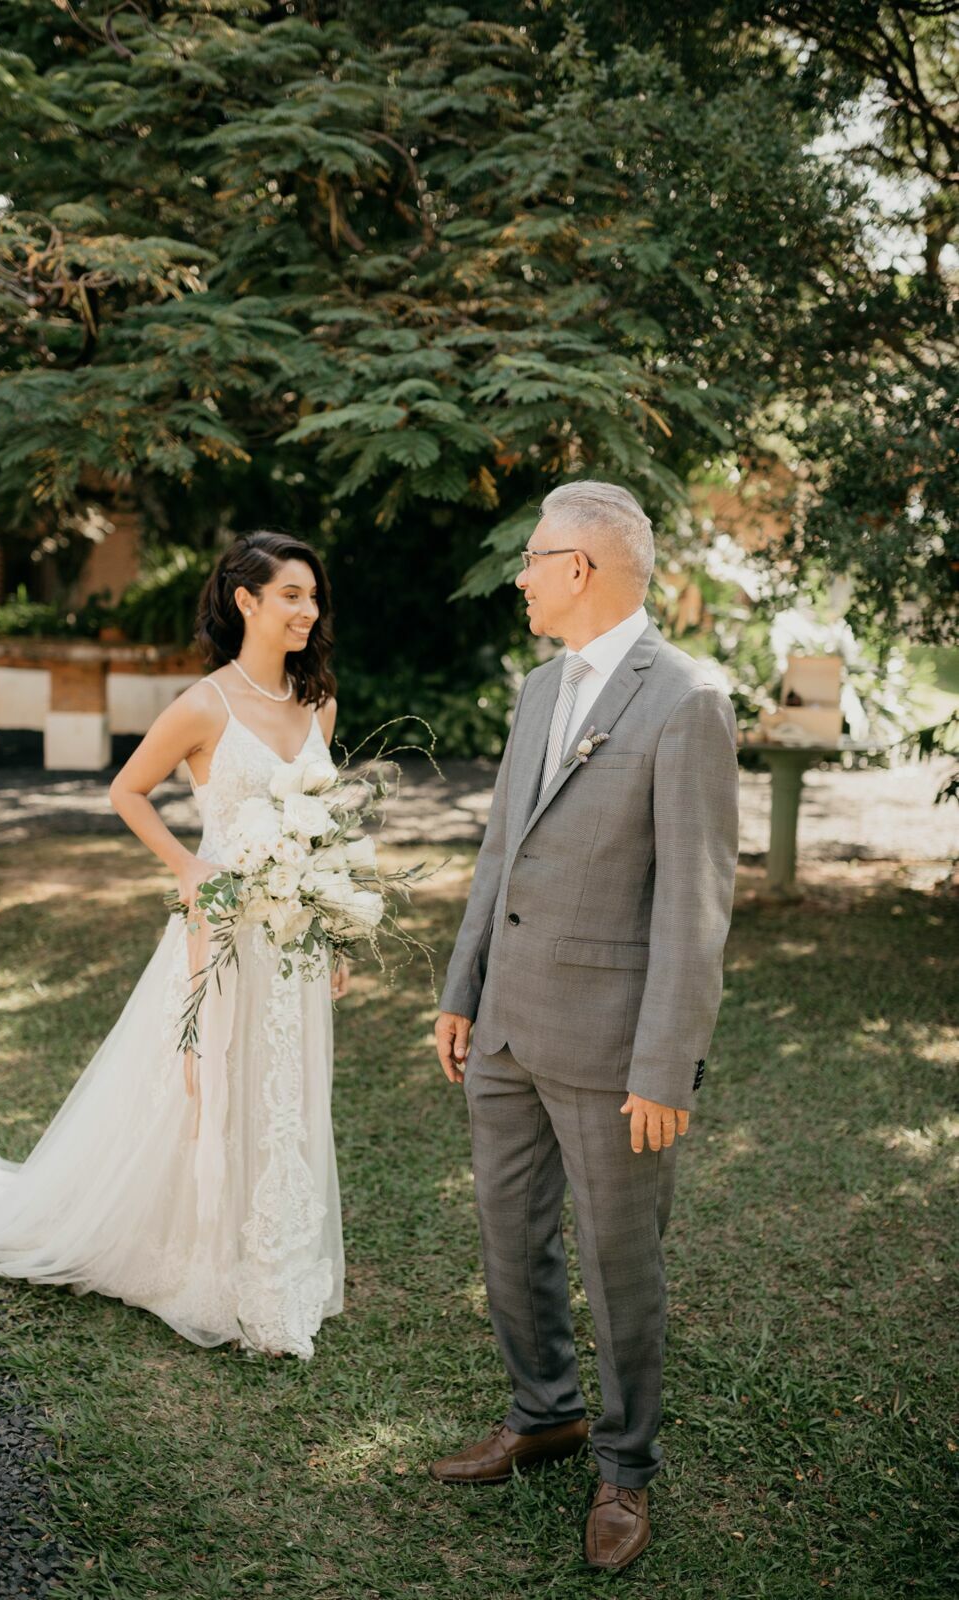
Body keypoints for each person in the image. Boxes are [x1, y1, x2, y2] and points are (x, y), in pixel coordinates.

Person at [0, 532, 347, 1359]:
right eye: (291, 595)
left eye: (313, 597)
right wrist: (186, 865)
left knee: (283, 1089)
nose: (308, 611)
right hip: (220, 931)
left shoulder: (320, 703)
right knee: (209, 1091)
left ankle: (277, 1256)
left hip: (294, 938)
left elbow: (321, 829)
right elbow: (127, 791)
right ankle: (209, 1259)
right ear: (247, 601)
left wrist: (336, 930)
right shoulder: (206, 703)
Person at [431, 482, 739, 1572]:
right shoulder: (536, 690)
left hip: (613, 1049)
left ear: (581, 569)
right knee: (510, 1239)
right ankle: (543, 1410)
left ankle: (624, 1464)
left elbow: (694, 908)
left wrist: (667, 1068)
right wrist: (462, 988)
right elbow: (500, 853)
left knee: (620, 1264)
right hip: (507, 1028)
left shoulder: (687, 700)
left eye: (532, 556)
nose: (518, 575)